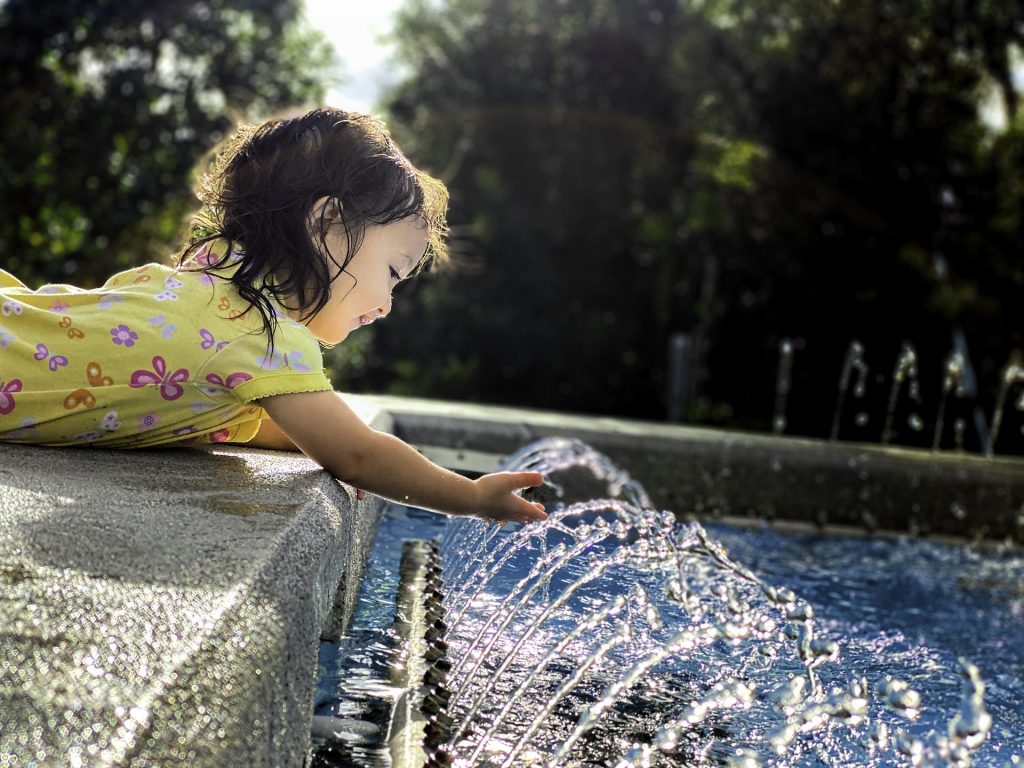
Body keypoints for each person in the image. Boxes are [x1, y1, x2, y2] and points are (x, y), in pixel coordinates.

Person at [0, 107, 546, 526]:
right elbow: (357, 454)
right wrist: (470, 496)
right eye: (393, 272)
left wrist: (321, 437)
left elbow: (268, 424)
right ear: (326, 222)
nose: (386, 303)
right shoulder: (260, 331)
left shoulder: (210, 283)